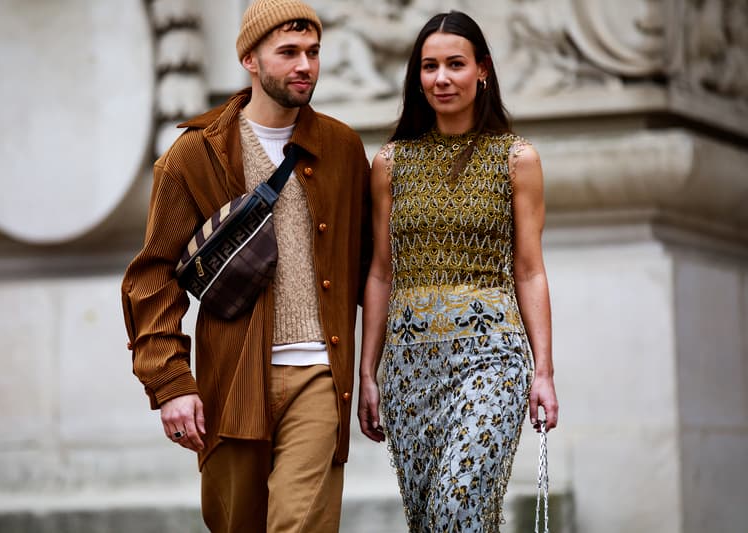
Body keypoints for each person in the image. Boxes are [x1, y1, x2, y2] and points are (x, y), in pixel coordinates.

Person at [121, 0, 371, 531]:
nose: (305, 65)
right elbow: (152, 277)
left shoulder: (342, 149)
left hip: (319, 376)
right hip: (232, 384)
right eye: (288, 52)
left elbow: (374, 267)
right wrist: (171, 382)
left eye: (313, 52)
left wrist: (375, 369)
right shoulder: (196, 155)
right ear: (250, 61)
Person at [357, 10, 558, 532]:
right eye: (429, 67)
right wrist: (367, 373)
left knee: (457, 504)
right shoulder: (391, 163)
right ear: (417, 77)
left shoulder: (517, 159)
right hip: (409, 368)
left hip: (492, 358)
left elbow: (530, 271)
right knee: (431, 520)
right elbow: (380, 273)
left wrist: (544, 372)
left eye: (455, 64)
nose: (441, 78)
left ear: (482, 70)